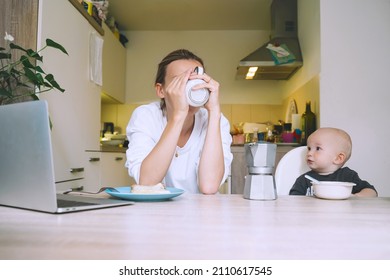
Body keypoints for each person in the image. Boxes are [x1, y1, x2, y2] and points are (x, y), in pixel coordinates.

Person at [125, 49, 233, 194]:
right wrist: (179, 115)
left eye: (195, 81)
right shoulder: (145, 116)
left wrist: (214, 111)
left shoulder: (216, 119)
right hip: (157, 211)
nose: (189, 87)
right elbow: (147, 183)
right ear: (161, 90)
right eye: (179, 81)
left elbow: (209, 187)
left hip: (203, 212)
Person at [289, 127, 377, 197]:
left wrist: (356, 196)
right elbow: (293, 201)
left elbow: (372, 192)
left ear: (338, 158)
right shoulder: (305, 179)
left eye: (318, 148)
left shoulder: (348, 176)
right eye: (309, 148)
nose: (309, 153)